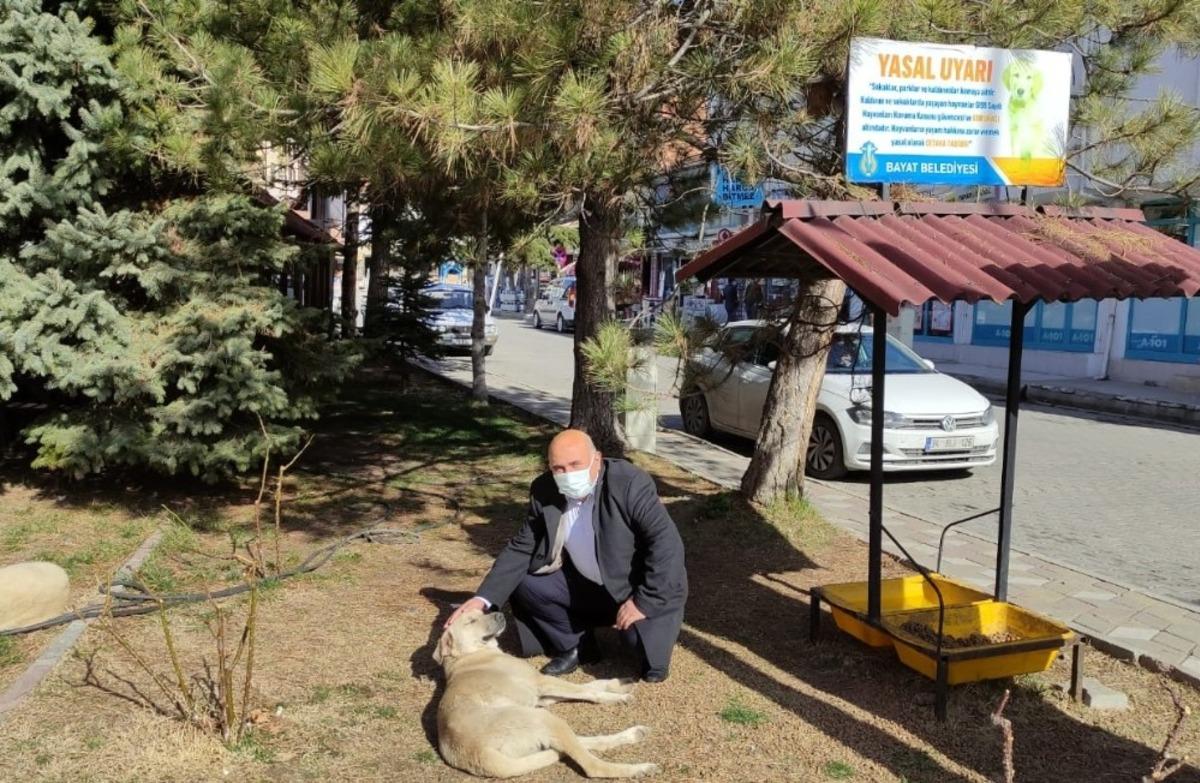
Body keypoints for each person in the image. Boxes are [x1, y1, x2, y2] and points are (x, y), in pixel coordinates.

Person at [444, 429, 687, 682]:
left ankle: (649, 633)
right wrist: (482, 600)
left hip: (634, 586)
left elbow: (666, 545)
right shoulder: (544, 489)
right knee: (527, 582)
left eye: (575, 464)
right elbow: (521, 547)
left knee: (641, 651)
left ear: (597, 459)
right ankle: (577, 646)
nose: (568, 474)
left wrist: (643, 602)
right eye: (558, 468)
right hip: (587, 584)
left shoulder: (630, 483)